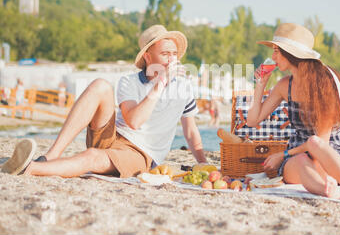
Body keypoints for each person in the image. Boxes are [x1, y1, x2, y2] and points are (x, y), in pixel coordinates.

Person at [2, 25, 208, 177]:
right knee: (100, 85)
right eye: (165, 54)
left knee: (92, 156)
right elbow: (134, 121)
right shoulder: (129, 81)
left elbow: (190, 132)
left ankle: (29, 168)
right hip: (112, 136)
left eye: (174, 54)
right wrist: (160, 84)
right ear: (147, 56)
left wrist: (204, 165)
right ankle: (52, 155)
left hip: (142, 153)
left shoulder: (184, 88)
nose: (172, 59)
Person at [247, 23, 340, 201]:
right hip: (298, 160)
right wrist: (260, 85)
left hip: (329, 157)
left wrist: (284, 154)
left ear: (290, 53)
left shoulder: (325, 85)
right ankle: (325, 189)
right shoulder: (284, 85)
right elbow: (252, 120)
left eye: (276, 51)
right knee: (302, 161)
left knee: (314, 142)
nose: (272, 57)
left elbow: (321, 142)